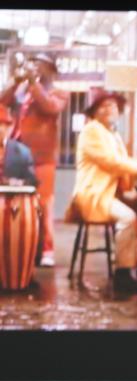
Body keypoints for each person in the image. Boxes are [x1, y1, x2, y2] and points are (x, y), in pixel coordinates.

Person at [66, 87, 137, 292]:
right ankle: (123, 274)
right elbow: (111, 162)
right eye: (104, 105)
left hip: (111, 194)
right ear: (95, 111)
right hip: (94, 195)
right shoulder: (91, 130)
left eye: (113, 106)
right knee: (128, 217)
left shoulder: (112, 134)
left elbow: (122, 163)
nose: (110, 109)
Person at [1, 53, 67, 266]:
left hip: (42, 157)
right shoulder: (24, 90)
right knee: (14, 201)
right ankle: (18, 245)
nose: (35, 67)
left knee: (44, 203)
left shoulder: (59, 93)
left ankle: (46, 249)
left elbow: (50, 107)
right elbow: (3, 102)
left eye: (40, 64)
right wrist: (16, 82)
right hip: (17, 155)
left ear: (51, 70)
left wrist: (32, 83)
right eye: (33, 64)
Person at [0, 105, 36, 185]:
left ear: (7, 127)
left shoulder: (22, 152)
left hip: (10, 192)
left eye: (1, 125)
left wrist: (17, 183)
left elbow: (32, 181)